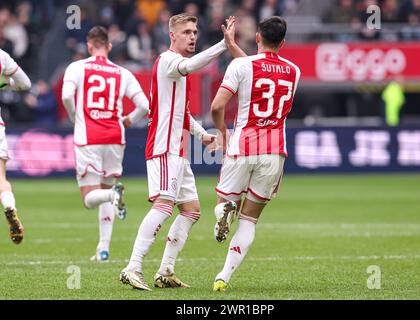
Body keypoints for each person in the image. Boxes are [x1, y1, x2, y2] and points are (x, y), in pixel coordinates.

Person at [119, 14, 243, 291]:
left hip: (179, 150)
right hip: (164, 147)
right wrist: (224, 45)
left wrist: (203, 136)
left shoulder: (178, 69)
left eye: (195, 32)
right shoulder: (168, 61)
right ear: (172, 35)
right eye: (186, 32)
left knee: (191, 210)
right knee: (163, 207)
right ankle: (133, 267)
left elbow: (183, 114)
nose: (192, 36)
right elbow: (191, 65)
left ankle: (165, 271)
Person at [210, 16, 301, 292]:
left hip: (242, 146)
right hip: (274, 152)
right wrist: (232, 45)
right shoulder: (294, 71)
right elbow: (261, 68)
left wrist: (222, 132)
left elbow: (217, 106)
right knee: (249, 219)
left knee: (224, 201)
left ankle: (225, 210)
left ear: (258, 37)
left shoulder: (241, 65)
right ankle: (223, 276)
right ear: (283, 42)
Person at [61, 26, 149, 262]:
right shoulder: (123, 72)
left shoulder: (77, 67)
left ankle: (112, 195)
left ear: (89, 46)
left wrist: (73, 117)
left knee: (90, 198)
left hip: (88, 137)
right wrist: (128, 120)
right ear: (109, 47)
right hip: (114, 136)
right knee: (107, 185)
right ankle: (103, 249)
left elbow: (67, 96)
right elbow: (144, 106)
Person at [0, 48, 31, 244]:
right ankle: (10, 206)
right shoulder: (2, 55)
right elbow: (25, 84)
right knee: (1, 179)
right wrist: (5, 83)